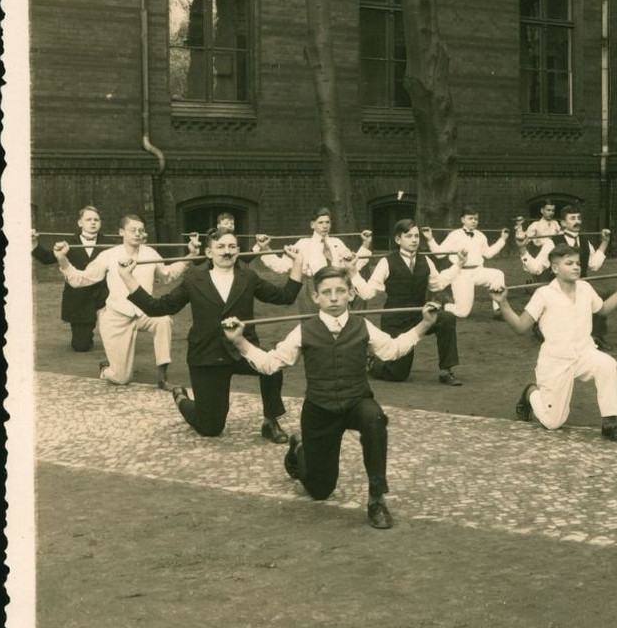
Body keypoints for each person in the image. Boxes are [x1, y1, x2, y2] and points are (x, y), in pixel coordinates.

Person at [223, 269, 444, 529]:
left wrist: (425, 324)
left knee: (374, 418)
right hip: (319, 408)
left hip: (356, 402)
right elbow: (271, 364)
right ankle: (299, 448)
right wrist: (239, 342)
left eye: (340, 291)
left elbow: (392, 350)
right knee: (320, 490)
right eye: (326, 293)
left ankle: (376, 500)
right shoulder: (303, 330)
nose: (334, 298)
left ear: (351, 294)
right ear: (316, 297)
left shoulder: (363, 325)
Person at [118, 228, 305, 442]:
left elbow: (285, 297)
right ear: (208, 252)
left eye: (232, 246)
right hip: (208, 354)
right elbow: (157, 307)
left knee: (272, 368)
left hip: (241, 349)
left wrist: (297, 263)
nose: (227, 252)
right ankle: (181, 398)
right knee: (211, 428)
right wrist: (127, 276)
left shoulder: (248, 277)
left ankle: (270, 422)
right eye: (221, 247)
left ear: (238, 250)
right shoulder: (194, 279)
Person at [491, 246, 617, 444]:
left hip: (584, 353)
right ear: (554, 268)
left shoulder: (585, 288)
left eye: (578, 263)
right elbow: (520, 327)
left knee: (607, 364)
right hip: (555, 361)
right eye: (569, 263)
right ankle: (530, 394)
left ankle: (609, 424)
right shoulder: (543, 294)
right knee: (553, 423)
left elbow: (603, 310)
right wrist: (503, 303)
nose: (576, 267)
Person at [52, 213, 196, 388]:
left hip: (144, 313)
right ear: (122, 232)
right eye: (132, 230)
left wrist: (192, 255)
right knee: (121, 378)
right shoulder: (108, 255)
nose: (137, 234)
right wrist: (62, 259)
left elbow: (167, 275)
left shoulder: (150, 253)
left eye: (141, 230)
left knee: (163, 320)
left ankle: (162, 377)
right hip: (116, 317)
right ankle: (106, 369)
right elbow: (80, 280)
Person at [351, 218, 463, 385]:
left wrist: (459, 264)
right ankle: (373, 362)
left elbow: (438, 284)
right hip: (396, 320)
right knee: (398, 375)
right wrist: (353, 271)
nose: (414, 240)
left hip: (420, 317)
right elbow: (367, 294)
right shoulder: (386, 262)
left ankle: (446, 370)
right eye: (409, 236)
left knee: (447, 318)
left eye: (417, 236)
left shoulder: (426, 261)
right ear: (398, 239)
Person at [522, 205, 615, 351]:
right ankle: (540, 327)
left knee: (599, 297)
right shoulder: (552, 242)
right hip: (561, 288)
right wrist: (523, 251)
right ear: (563, 223)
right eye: (572, 218)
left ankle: (597, 336)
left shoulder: (585, 240)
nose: (577, 221)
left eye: (578, 218)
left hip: (581, 286)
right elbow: (537, 268)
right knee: (559, 333)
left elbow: (594, 265)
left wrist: (604, 242)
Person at [30, 205, 109, 351]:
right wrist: (33, 243)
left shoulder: (109, 244)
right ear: (80, 223)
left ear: (100, 223)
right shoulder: (68, 243)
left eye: (96, 220)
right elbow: (46, 258)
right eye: (88, 219)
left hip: (104, 297)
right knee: (81, 346)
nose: (93, 222)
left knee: (117, 343)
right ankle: (85, 333)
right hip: (79, 300)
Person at [254, 206, 362, 296]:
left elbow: (353, 266)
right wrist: (265, 248)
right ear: (312, 225)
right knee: (312, 320)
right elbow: (281, 266)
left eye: (327, 222)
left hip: (336, 287)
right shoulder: (304, 244)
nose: (325, 226)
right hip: (312, 289)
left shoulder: (337, 242)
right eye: (320, 222)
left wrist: (357, 251)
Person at [426, 208, 509, 318]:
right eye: (470, 218)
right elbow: (439, 254)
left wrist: (502, 240)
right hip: (461, 273)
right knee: (463, 313)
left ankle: (498, 309)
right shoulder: (454, 235)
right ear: (462, 220)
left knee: (498, 274)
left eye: (476, 219)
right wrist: (430, 239)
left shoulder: (481, 236)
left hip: (478, 271)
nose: (474, 221)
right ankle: (443, 305)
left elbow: (488, 254)